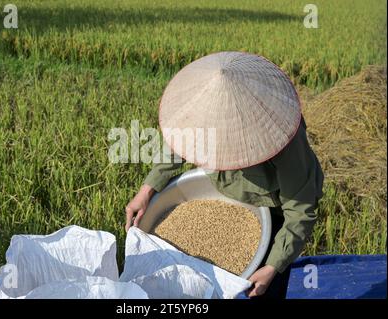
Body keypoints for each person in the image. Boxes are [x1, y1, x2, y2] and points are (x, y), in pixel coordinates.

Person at [125, 52, 324, 299]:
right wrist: (147, 190)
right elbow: (180, 143)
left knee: (267, 288)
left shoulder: (284, 142)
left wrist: (272, 267)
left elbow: (300, 210)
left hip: (275, 209)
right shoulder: (203, 108)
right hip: (231, 197)